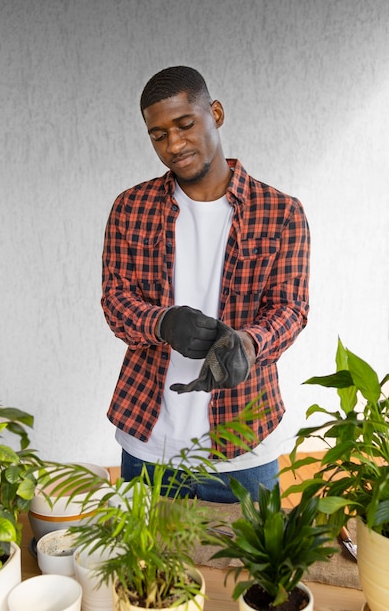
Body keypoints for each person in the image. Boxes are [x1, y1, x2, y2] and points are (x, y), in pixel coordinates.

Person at [101, 65, 310, 502]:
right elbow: (116, 300)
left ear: (215, 113)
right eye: (158, 135)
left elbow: (291, 308)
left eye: (184, 124)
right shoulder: (130, 207)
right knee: (144, 569)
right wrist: (163, 323)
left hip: (244, 444)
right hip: (148, 442)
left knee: (253, 571)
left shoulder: (282, 212)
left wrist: (248, 344)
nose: (174, 144)